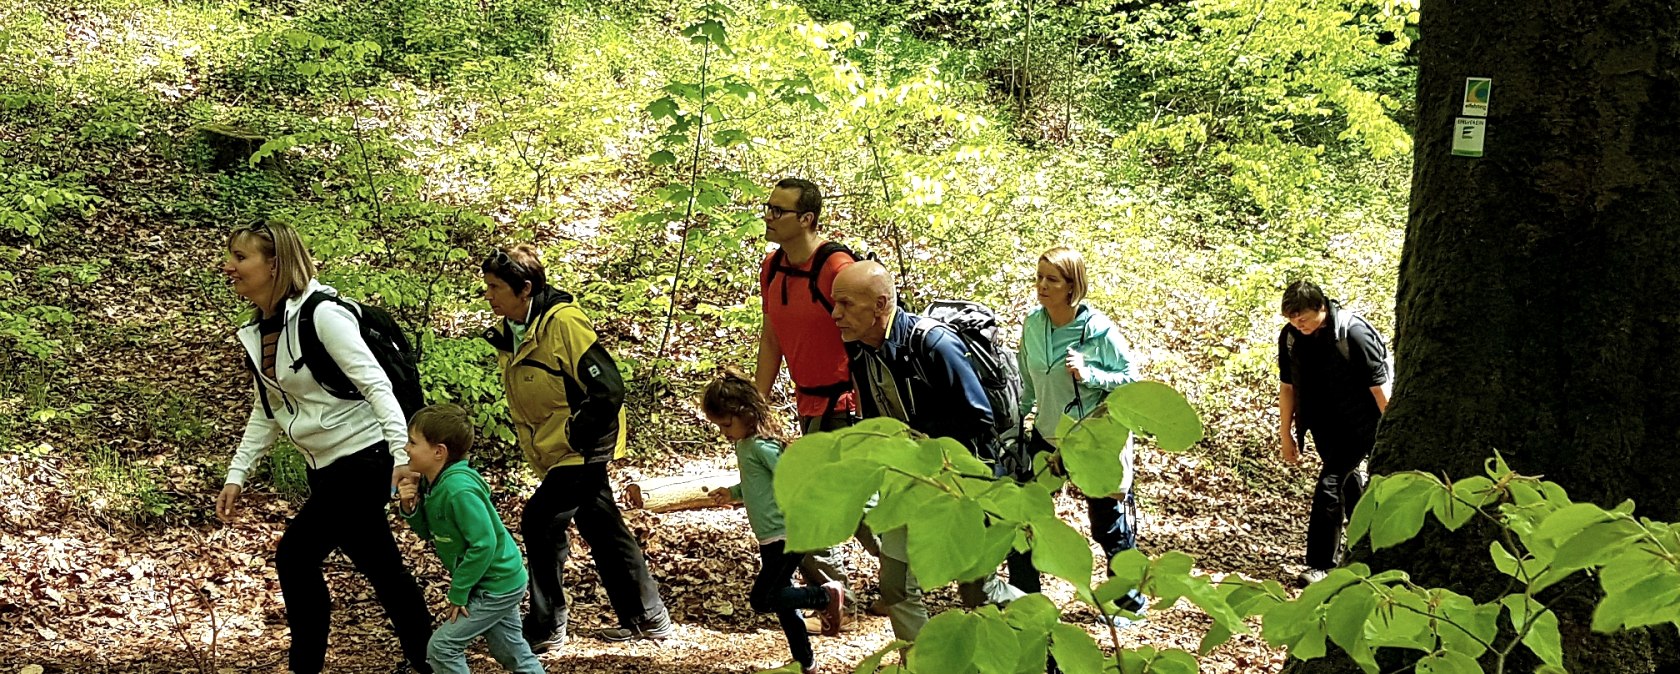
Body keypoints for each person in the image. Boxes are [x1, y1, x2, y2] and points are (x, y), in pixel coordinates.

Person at [214, 221, 434, 674]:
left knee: (295, 556)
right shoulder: (260, 331)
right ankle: (433, 657)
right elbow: (269, 409)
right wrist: (237, 473)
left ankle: (306, 668)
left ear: (274, 264)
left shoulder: (323, 315)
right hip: (327, 468)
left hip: (365, 458)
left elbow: (377, 387)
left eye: (240, 258)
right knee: (383, 567)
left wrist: (400, 458)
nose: (229, 267)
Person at [481, 245, 673, 651]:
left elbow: (608, 388)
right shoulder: (511, 332)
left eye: (496, 287)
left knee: (539, 519)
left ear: (525, 289)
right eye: (488, 286)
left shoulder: (563, 323)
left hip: (582, 446)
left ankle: (547, 624)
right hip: (555, 448)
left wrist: (573, 435)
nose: (489, 295)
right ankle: (647, 616)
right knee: (599, 525)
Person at [829, 260, 1025, 641]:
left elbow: (978, 416)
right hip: (906, 482)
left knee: (977, 591)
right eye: (835, 304)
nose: (836, 314)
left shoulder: (934, 344)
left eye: (847, 304)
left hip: (960, 485)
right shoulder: (859, 347)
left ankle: (1040, 630)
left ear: (881, 304)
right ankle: (919, 664)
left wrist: (919, 442)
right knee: (896, 588)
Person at [751, 177, 871, 624]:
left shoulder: (836, 268)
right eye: (768, 207)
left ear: (807, 219)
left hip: (847, 406)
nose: (768, 216)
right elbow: (772, 339)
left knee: (855, 507)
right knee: (806, 503)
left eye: (778, 210)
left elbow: (870, 331)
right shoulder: (772, 268)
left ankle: (908, 578)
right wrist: (756, 407)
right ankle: (833, 593)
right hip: (809, 406)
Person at [1011, 246, 1147, 625]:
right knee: (1028, 519)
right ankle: (1024, 600)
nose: (1042, 286)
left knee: (1107, 524)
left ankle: (1129, 602)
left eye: (1052, 280)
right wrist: (1018, 419)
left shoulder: (1098, 329)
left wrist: (1091, 375)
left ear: (1073, 286)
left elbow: (1131, 381)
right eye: (1039, 277)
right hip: (1046, 436)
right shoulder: (1033, 325)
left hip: (1092, 440)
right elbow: (1027, 380)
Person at [701, 371, 844, 672]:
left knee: (763, 599)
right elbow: (756, 485)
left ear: (748, 413)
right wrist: (732, 492)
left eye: (727, 424)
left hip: (786, 533)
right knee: (782, 603)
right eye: (720, 426)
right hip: (769, 536)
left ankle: (825, 595)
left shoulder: (762, 445)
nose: (725, 431)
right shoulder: (745, 445)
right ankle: (805, 662)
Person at [395, 404, 544, 674]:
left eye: (412, 442)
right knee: (510, 651)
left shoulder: (458, 490)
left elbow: (484, 544)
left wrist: (459, 591)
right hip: (491, 581)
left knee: (442, 648)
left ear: (439, 452)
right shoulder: (434, 481)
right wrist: (410, 508)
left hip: (497, 584)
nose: (406, 448)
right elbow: (430, 531)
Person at [1277, 280, 1390, 584]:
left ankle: (1321, 565)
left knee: (1331, 484)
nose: (1297, 325)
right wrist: (1285, 433)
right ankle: (1365, 552)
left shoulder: (1353, 334)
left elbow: (1380, 388)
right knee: (1351, 487)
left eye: (1302, 318)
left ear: (1321, 308)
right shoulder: (1290, 338)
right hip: (1324, 425)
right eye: (1291, 319)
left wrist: (1390, 433)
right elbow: (1287, 387)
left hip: (1364, 423)